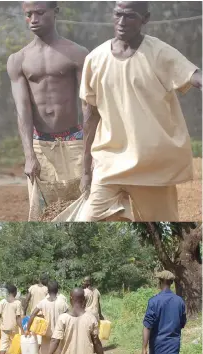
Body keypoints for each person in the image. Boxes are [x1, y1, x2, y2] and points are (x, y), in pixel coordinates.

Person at [79, 1, 202, 222]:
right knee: (88, 221)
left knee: (167, 226)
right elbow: (90, 115)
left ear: (145, 19)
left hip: (152, 165)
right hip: (109, 163)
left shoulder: (160, 53)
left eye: (130, 16)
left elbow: (194, 75)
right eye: (118, 14)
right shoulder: (95, 59)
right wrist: (86, 169)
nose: (122, 22)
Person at [7, 1, 89, 220]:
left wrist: (89, 152)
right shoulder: (18, 60)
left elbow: (88, 105)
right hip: (40, 144)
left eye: (40, 13)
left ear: (55, 12)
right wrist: (29, 155)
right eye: (28, 14)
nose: (33, 19)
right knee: (43, 213)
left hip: (74, 140)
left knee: (83, 208)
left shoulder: (77, 54)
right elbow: (22, 109)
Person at [141, 270, 187, 354]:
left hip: (157, 347)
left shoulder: (154, 301)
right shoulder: (179, 301)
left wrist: (144, 348)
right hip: (172, 347)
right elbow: (182, 323)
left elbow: (147, 326)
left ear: (160, 282)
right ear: (171, 283)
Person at [26, 280, 68, 354]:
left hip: (46, 333)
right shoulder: (63, 303)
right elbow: (68, 316)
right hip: (58, 334)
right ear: (57, 290)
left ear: (48, 290)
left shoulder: (43, 302)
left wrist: (28, 328)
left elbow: (33, 314)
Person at [24, 273, 49, 354]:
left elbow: (27, 300)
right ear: (44, 280)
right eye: (47, 279)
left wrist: (24, 312)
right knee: (41, 335)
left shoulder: (32, 288)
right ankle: (38, 352)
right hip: (42, 315)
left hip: (33, 315)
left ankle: (34, 351)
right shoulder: (46, 289)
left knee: (33, 333)